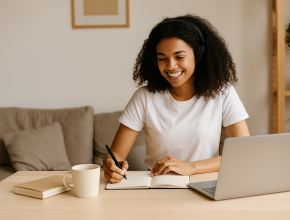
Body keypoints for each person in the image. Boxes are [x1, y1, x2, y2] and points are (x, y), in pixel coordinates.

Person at [103, 14, 250, 184]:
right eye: (162, 59)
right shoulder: (144, 97)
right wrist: (110, 165)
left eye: (179, 57)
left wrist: (190, 167)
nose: (171, 66)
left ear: (198, 55)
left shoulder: (223, 93)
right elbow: (114, 156)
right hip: (159, 188)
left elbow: (243, 154)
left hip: (206, 185)